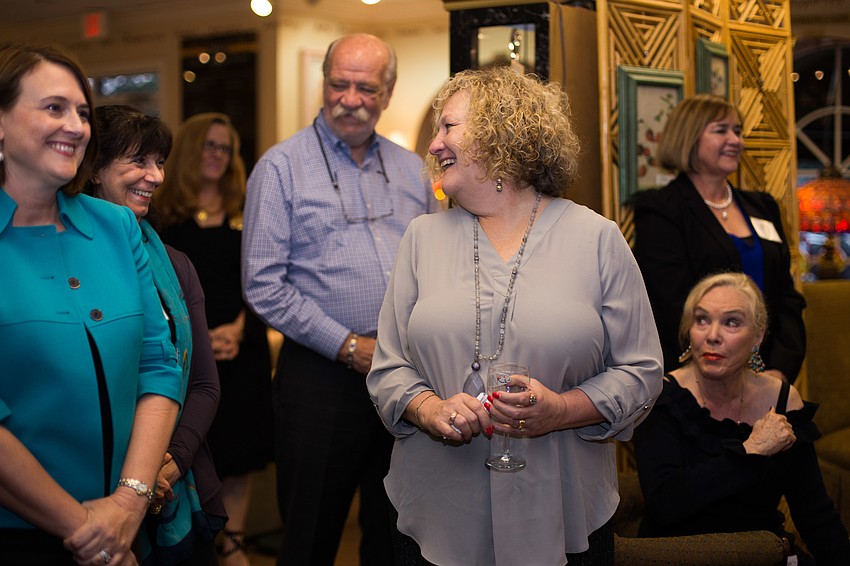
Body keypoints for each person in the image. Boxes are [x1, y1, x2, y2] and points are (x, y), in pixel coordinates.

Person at [366, 66, 664, 565]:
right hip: (439, 509)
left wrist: (562, 410)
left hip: (563, 507)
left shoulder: (597, 238)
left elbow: (641, 372)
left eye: (448, 127)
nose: (434, 145)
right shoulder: (421, 239)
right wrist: (429, 410)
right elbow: (388, 368)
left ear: (502, 133)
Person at [242, 33, 439, 565]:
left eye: (366, 87)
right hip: (320, 378)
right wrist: (348, 345)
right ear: (324, 85)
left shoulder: (412, 169)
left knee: (397, 533)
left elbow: (435, 266)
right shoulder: (280, 168)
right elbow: (262, 283)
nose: (350, 99)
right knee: (310, 536)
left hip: (404, 375)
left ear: (389, 92)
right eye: (339, 84)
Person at [0, 43, 181, 565]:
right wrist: (90, 532)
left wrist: (128, 504)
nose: (78, 126)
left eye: (82, 111)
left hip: (128, 524)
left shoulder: (117, 226)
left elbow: (159, 365)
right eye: (54, 108)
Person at [85, 105, 227, 565]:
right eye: (138, 161)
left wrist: (170, 461)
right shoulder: (65, 263)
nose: (156, 176)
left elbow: (203, 383)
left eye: (160, 161)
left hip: (174, 480)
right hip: (89, 482)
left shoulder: (176, 264)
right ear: (93, 169)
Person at [633, 272, 850, 565]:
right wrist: (751, 451)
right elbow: (666, 504)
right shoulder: (662, 396)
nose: (712, 335)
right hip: (679, 556)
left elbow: (814, 514)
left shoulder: (782, 400)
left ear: (757, 337)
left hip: (761, 553)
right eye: (701, 320)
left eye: (731, 322)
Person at [153, 112, 272, 566]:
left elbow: (262, 278)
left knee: (241, 446)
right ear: (189, 151)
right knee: (199, 441)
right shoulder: (163, 213)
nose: (218, 156)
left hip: (245, 340)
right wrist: (200, 335)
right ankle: (197, 532)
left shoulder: (247, 210)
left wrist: (242, 327)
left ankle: (235, 542)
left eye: (225, 148)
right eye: (209, 145)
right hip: (183, 344)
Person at [633, 94, 806, 383]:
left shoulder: (763, 206)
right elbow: (670, 304)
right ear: (689, 137)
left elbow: (786, 296)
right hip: (701, 375)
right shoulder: (663, 209)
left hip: (770, 376)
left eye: (737, 131)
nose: (735, 140)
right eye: (721, 130)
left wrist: (779, 371)